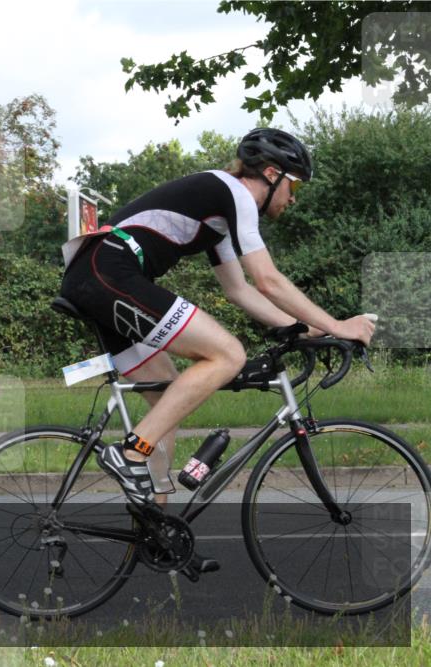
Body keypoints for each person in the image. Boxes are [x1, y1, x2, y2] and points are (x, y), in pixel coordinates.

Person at [59, 128, 375, 515]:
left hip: (98, 276)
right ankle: (129, 454)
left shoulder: (220, 216)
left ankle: (153, 524)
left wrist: (308, 329)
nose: (294, 199)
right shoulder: (235, 192)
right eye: (295, 187)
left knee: (167, 402)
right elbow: (268, 280)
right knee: (228, 354)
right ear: (272, 175)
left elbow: (240, 291)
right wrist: (340, 325)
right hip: (107, 271)